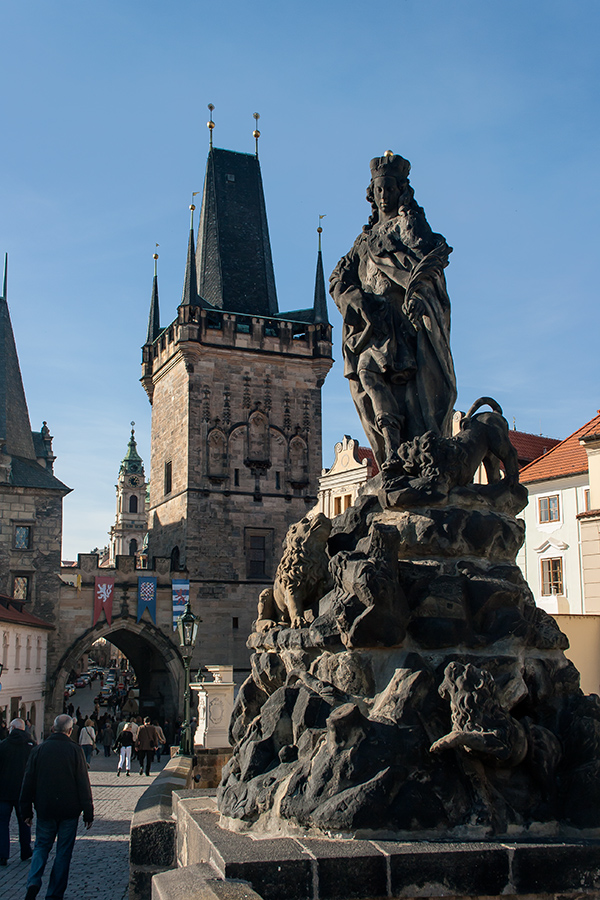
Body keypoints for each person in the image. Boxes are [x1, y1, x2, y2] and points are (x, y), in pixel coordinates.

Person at [329, 151, 457, 470]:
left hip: (404, 322)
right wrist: (355, 299)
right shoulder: (363, 241)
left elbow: (427, 261)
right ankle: (391, 450)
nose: (384, 195)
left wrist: (418, 293)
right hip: (373, 324)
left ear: (401, 191)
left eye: (389, 188)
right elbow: (337, 278)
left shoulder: (408, 223)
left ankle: (408, 453)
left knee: (412, 396)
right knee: (365, 376)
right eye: (379, 189)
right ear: (372, 195)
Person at [20, 714, 93, 900]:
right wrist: (88, 812)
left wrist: (26, 810)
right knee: (63, 853)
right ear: (70, 731)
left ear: (53, 729)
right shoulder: (76, 751)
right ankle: (54, 894)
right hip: (69, 810)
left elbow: (28, 781)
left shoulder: (39, 750)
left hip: (46, 808)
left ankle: (33, 881)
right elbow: (83, 783)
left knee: (41, 847)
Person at [0, 718, 35, 865]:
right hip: (23, 791)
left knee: (2, 823)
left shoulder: (3, 745)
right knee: (24, 821)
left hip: (4, 791)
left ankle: (2, 854)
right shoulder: (31, 746)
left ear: (12, 728)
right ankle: (25, 851)